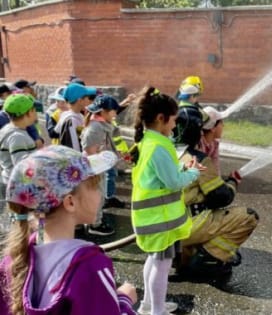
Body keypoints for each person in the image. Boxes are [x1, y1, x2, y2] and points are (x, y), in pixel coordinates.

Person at [0, 145, 137, 315]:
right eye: (94, 187)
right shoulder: (90, 267)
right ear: (70, 202)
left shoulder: (13, 261)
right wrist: (124, 301)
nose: (100, 194)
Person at [132, 86, 202, 315]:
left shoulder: (149, 141)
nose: (174, 125)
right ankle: (157, 311)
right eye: (173, 120)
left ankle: (148, 305)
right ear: (161, 118)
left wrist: (182, 166)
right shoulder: (159, 146)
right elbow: (173, 182)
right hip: (160, 220)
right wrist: (193, 173)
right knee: (162, 267)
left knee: (154, 261)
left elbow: (161, 174)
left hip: (152, 218)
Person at [174, 108, 259, 276]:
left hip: (166, 226)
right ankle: (207, 260)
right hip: (188, 225)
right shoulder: (196, 158)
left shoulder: (164, 153)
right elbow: (220, 197)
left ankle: (185, 257)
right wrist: (233, 183)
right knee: (248, 217)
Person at [81, 94, 126, 236]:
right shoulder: (95, 128)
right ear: (104, 112)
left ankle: (94, 220)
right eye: (113, 111)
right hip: (95, 169)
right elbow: (91, 154)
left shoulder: (101, 125)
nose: (115, 113)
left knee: (98, 195)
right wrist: (94, 172)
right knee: (96, 196)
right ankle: (95, 224)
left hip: (100, 167)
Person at [54, 83, 96, 151]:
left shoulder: (74, 115)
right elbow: (73, 148)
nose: (88, 100)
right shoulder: (71, 120)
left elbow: (56, 130)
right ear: (80, 100)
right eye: (86, 97)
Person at [199, 106, 228, 175]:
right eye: (221, 123)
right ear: (213, 128)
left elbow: (215, 168)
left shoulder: (214, 144)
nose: (223, 125)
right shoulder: (198, 144)